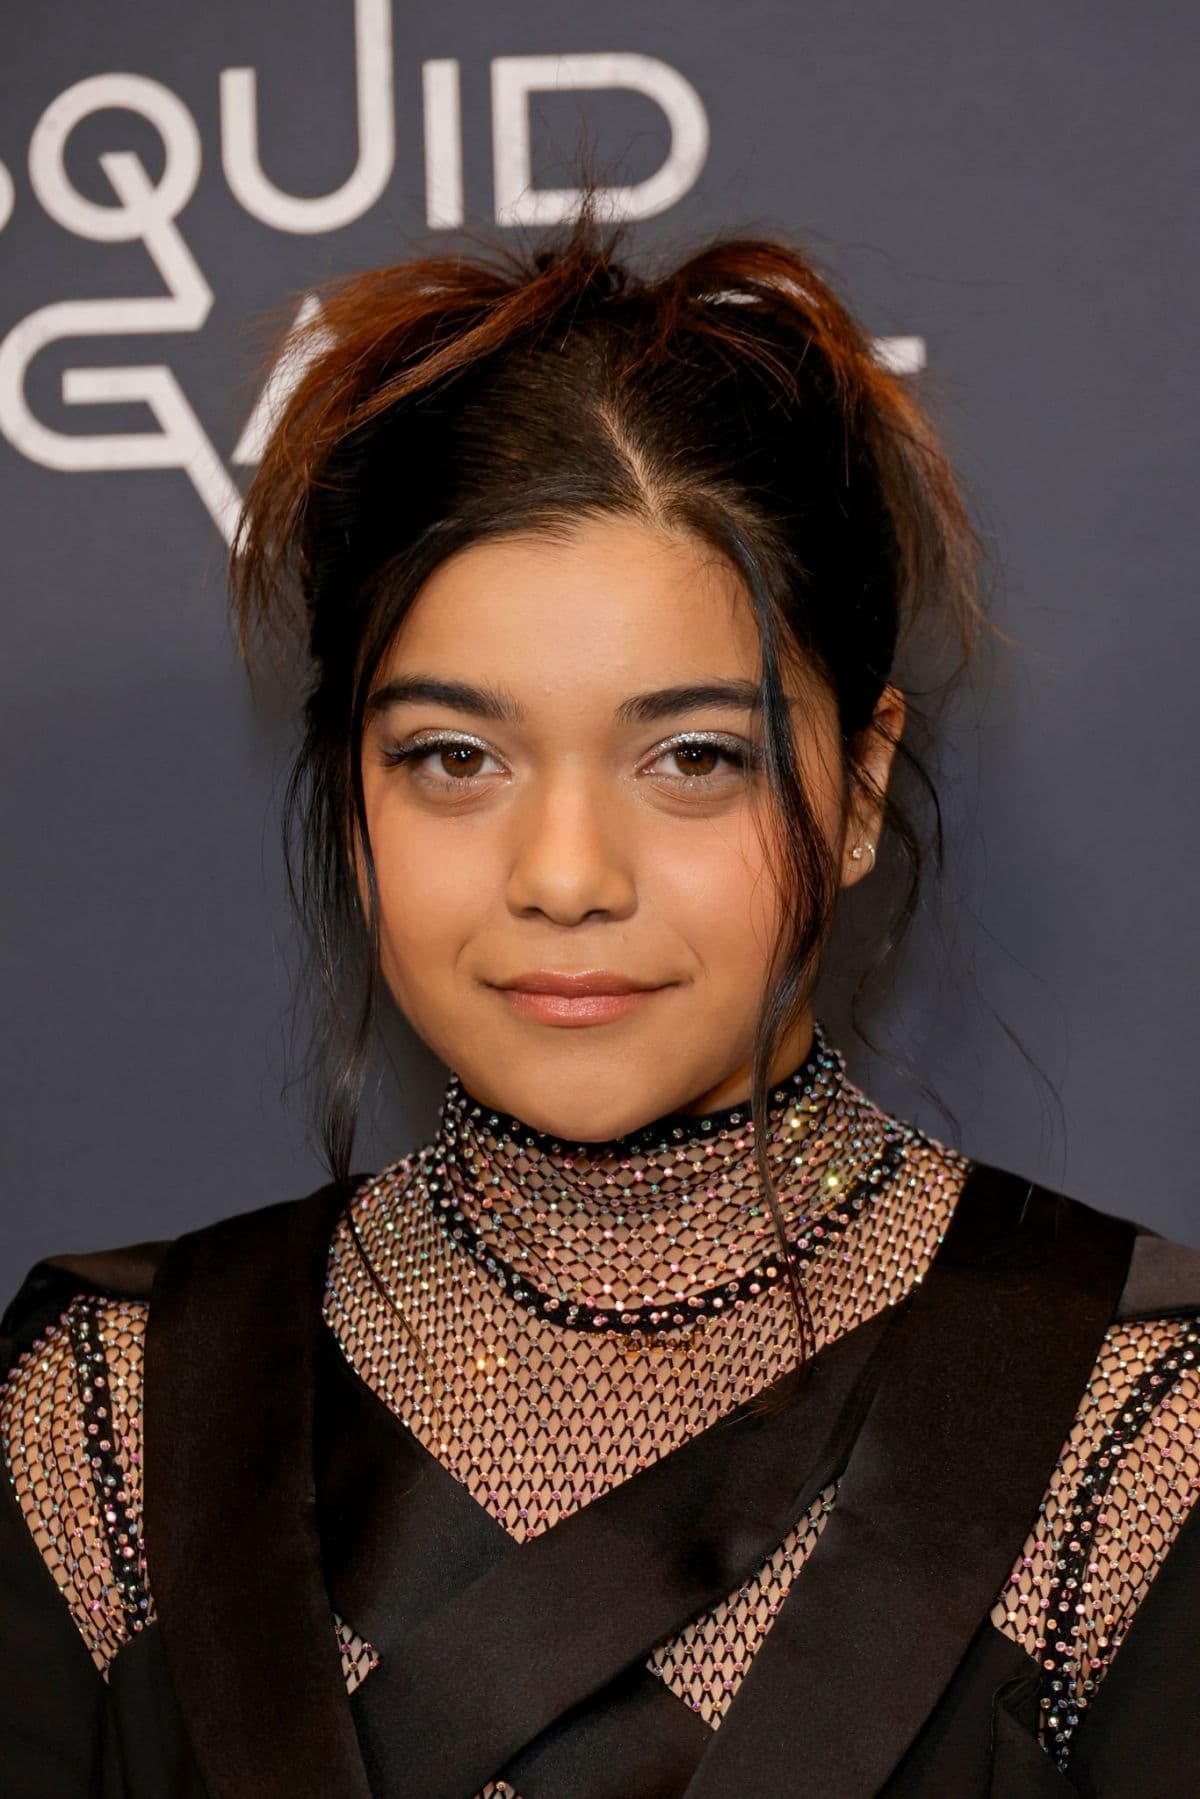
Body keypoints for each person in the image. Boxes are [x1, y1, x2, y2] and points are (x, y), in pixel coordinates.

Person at [2, 191, 1197, 1799]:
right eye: (455, 758)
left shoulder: (1134, 1428)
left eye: (693, 758)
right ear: (350, 796)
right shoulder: (110, 1415)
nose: (565, 875)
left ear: (859, 787)